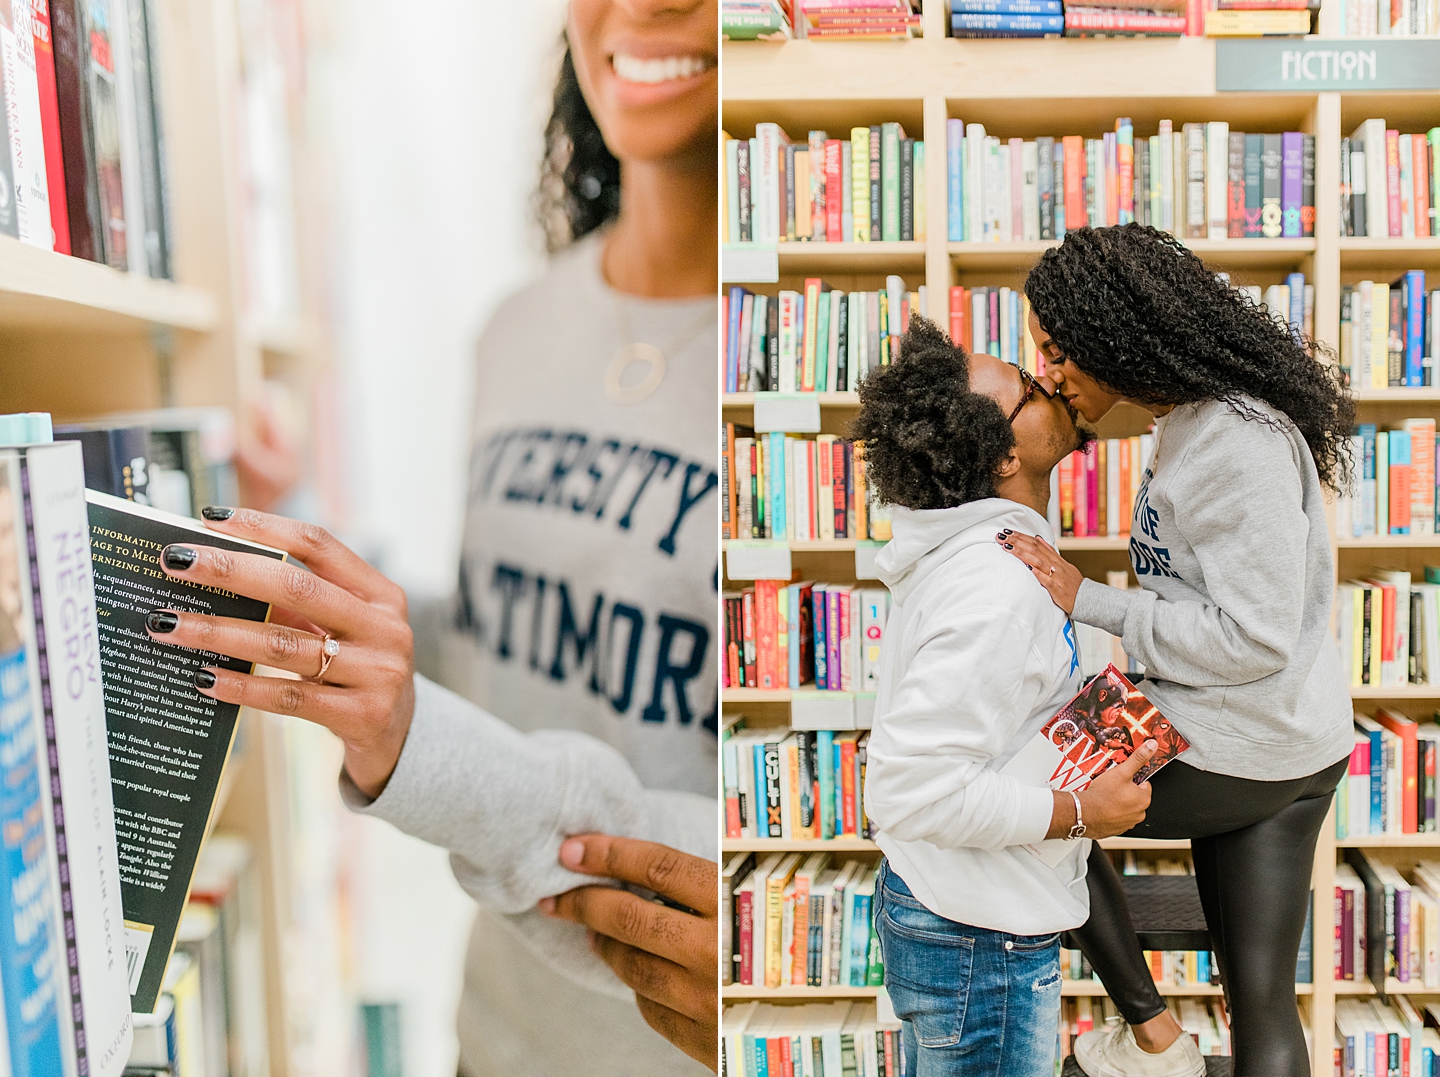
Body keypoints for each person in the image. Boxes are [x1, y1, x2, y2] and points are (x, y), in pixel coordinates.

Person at [139, 1, 721, 1073]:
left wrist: (422, 745)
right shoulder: (518, 329)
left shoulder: (837, 365)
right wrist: (321, 578)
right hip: (491, 1039)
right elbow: (501, 646)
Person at [1001, 223, 1355, 1077]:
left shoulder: (1236, 439)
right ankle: (1161, 1039)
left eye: (1056, 349)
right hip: (1284, 740)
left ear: (1114, 329)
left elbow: (1254, 636)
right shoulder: (1190, 417)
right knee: (1263, 998)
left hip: (1238, 737)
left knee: (1020, 806)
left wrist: (1090, 600)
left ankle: (1155, 1039)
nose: (1049, 372)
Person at [855, 318, 1158, 1077]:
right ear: (1003, 455)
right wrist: (1084, 814)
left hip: (965, 925)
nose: (1050, 380)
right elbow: (905, 790)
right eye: (1028, 386)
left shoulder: (1000, 556)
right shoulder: (994, 584)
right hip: (978, 943)